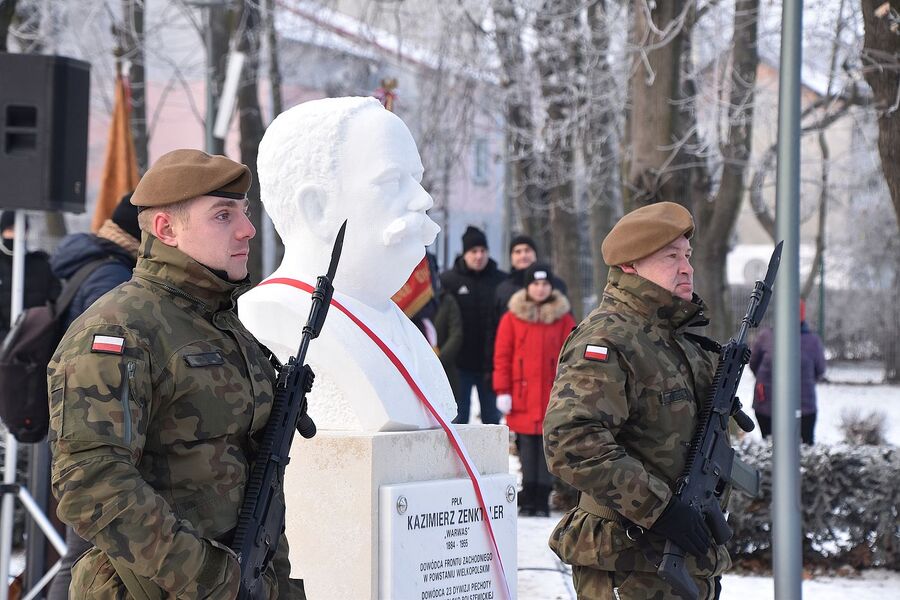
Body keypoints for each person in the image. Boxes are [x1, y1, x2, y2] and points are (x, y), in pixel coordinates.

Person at [47, 149, 297, 599]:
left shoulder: (223, 323)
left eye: (244, 212)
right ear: (166, 229)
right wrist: (215, 579)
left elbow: (256, 478)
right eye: (223, 216)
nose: (248, 229)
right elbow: (91, 482)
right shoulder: (119, 329)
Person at [543, 202, 731, 599]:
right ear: (630, 266)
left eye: (687, 255)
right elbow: (571, 441)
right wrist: (660, 508)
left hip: (682, 562)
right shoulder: (609, 339)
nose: (686, 267)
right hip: (626, 567)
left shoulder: (679, 339)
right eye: (670, 257)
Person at [239, 96, 456, 432]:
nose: (423, 199)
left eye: (416, 179)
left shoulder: (393, 320)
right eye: (393, 181)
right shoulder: (269, 317)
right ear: (317, 209)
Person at [45, 193, 141, 600]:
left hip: (67, 417)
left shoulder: (83, 258)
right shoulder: (112, 278)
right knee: (83, 552)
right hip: (91, 426)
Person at [493, 263, 575, 517]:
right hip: (523, 396)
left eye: (544, 284)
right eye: (535, 284)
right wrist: (502, 390)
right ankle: (528, 495)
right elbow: (503, 356)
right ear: (528, 287)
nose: (540, 289)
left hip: (552, 398)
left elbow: (572, 357)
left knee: (547, 448)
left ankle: (542, 496)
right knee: (527, 447)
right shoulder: (511, 319)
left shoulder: (563, 320)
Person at [440, 225, 507, 424]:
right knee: (458, 418)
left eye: (482, 251)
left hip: (490, 364)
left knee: (491, 421)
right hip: (459, 364)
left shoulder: (500, 280)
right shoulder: (448, 280)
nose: (478, 256)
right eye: (473, 251)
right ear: (465, 253)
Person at [749, 300, 826, 444]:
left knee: (771, 448)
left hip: (776, 406)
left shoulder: (766, 337)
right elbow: (820, 370)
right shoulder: (812, 341)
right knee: (801, 449)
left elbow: (754, 364)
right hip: (788, 406)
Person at [0, 210, 60, 339]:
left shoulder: (42, 265)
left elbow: (55, 304)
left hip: (34, 344)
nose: (16, 235)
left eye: (21, 229)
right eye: (10, 229)